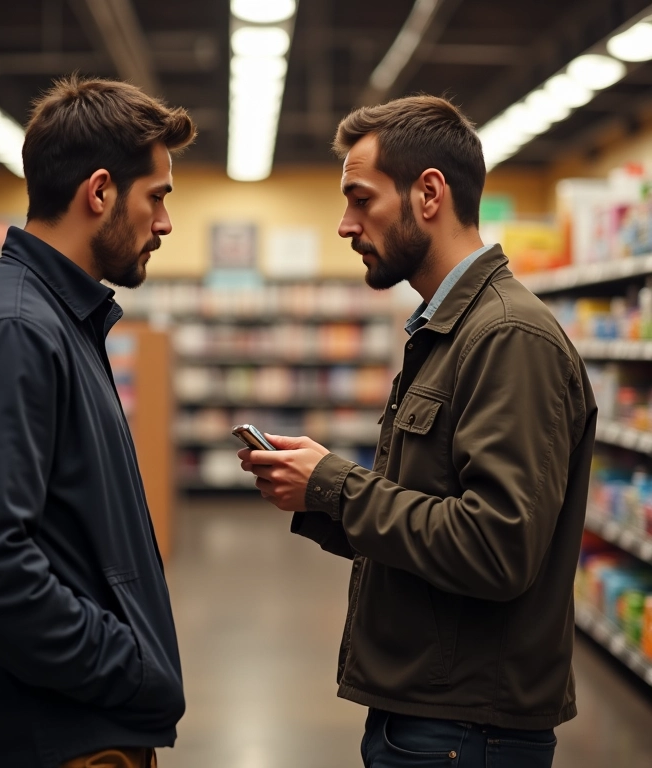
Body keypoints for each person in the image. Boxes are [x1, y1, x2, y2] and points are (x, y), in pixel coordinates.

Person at [238, 96, 597, 768]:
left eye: (361, 199)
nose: (345, 225)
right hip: (432, 713)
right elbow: (429, 519)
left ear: (429, 194)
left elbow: (497, 548)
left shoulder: (507, 336)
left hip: (466, 729)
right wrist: (319, 496)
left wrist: (338, 487)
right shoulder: (447, 331)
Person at [0, 75, 196, 768]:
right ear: (99, 192)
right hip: (53, 740)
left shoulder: (55, 318)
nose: (165, 223)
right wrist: (130, 669)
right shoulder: (15, 328)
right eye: (157, 196)